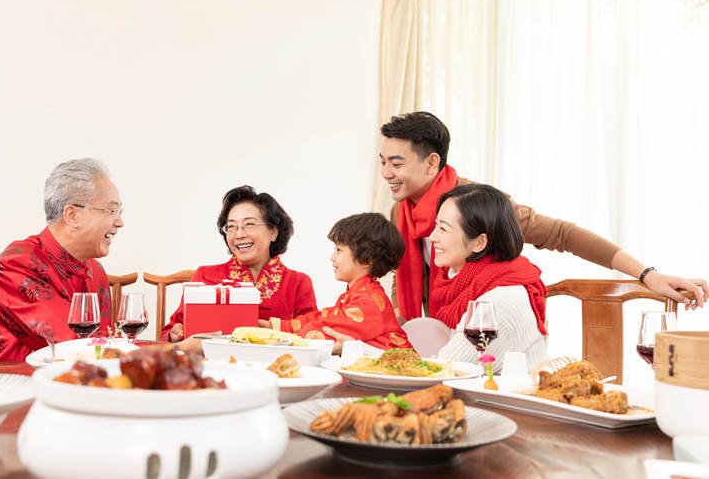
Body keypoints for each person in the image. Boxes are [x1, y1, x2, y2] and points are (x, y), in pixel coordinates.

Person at [380, 111, 707, 322]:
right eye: (382, 162)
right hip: (435, 341)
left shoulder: (478, 205)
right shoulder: (403, 209)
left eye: (396, 164)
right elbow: (406, 273)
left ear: (431, 163)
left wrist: (648, 275)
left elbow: (564, 235)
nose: (386, 173)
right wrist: (398, 322)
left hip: (489, 341)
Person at [0, 158, 123, 362]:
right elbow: (74, 345)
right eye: (112, 211)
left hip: (69, 388)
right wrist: (163, 351)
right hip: (13, 389)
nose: (120, 222)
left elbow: (100, 351)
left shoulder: (96, 271)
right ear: (72, 216)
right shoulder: (16, 265)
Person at [162, 185, 317, 342]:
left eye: (249, 224)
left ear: (273, 232)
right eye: (231, 226)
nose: (239, 234)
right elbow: (169, 331)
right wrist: (174, 334)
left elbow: (312, 334)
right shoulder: (205, 275)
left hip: (272, 364)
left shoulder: (298, 282)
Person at [428, 184, 548, 372]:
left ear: (479, 242)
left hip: (514, 399)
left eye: (443, 229)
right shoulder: (464, 283)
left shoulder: (499, 301)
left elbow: (443, 371)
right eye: (436, 225)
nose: (432, 236)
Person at [262, 213, 410, 354]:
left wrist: (274, 337)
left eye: (339, 250)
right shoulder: (356, 295)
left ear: (366, 259)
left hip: (395, 372)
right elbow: (322, 318)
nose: (332, 257)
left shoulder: (368, 301)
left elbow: (324, 331)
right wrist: (276, 326)